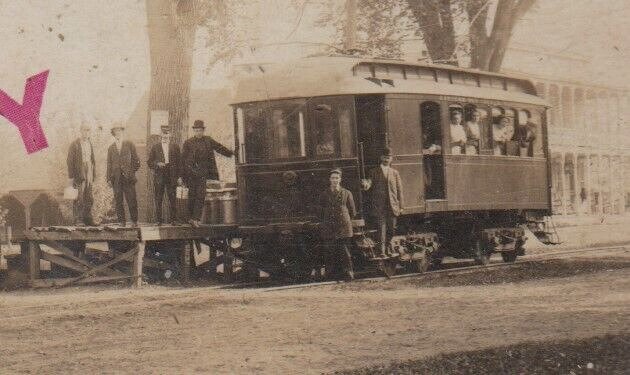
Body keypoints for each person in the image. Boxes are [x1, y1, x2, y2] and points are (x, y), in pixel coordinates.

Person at [182, 119, 234, 227]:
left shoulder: (208, 140)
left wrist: (230, 153)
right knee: (192, 196)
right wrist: (183, 175)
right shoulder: (188, 143)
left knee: (200, 196)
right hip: (191, 173)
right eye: (196, 130)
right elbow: (183, 159)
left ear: (203, 130)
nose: (198, 132)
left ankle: (196, 219)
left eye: (200, 130)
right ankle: (190, 218)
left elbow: (219, 147)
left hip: (203, 173)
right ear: (194, 131)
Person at [362, 147, 404, 256]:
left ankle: (387, 247)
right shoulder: (374, 172)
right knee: (381, 229)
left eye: (388, 158)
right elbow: (369, 183)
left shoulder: (395, 173)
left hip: (392, 206)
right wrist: (366, 185)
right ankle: (382, 252)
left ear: (391, 159)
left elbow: (400, 190)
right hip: (379, 206)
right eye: (385, 157)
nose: (386, 159)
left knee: (392, 229)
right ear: (381, 158)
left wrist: (401, 206)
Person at [319, 168, 356, 281]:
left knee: (345, 252)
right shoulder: (324, 194)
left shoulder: (347, 193)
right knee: (330, 252)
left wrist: (345, 220)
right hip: (329, 227)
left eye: (337, 178)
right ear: (329, 180)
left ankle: (349, 274)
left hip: (343, 227)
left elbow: (352, 210)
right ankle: (330, 275)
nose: (335, 180)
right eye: (333, 178)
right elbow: (320, 211)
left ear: (340, 179)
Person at [148, 125, 183, 225]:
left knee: (172, 197)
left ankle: (174, 220)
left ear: (170, 135)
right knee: (158, 198)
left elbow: (180, 162)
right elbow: (149, 162)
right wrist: (157, 164)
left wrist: (180, 176)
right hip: (160, 174)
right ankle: (159, 220)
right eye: (163, 134)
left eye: (167, 134)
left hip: (172, 175)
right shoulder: (155, 147)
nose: (165, 136)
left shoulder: (175, 147)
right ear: (160, 135)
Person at [107, 124, 140, 227]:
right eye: (115, 131)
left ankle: (134, 221)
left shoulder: (129, 144)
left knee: (131, 199)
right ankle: (122, 222)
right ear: (113, 133)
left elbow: (137, 161)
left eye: (119, 131)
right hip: (116, 178)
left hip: (128, 178)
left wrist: (131, 172)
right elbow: (109, 164)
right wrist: (108, 178)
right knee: (118, 200)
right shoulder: (111, 148)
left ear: (122, 132)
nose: (118, 133)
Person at [66, 123, 96, 225]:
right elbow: (69, 161)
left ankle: (88, 219)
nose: (86, 132)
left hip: (89, 170)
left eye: (88, 130)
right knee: (79, 196)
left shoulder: (90, 143)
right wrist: (72, 176)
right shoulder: (75, 144)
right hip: (79, 171)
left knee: (89, 196)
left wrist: (93, 173)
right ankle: (78, 220)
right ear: (81, 131)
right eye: (84, 130)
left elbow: (92, 160)